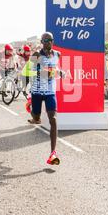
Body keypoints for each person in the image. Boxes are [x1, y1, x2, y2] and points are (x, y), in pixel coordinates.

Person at [28, 32, 65, 165]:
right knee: (36, 119)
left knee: (53, 119)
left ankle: (53, 154)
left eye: (50, 40)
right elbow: (27, 72)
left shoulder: (57, 54)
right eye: (46, 40)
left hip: (50, 92)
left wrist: (60, 72)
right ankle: (30, 108)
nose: (48, 42)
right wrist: (42, 72)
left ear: (53, 41)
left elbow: (55, 68)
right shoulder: (36, 55)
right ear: (42, 42)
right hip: (37, 91)